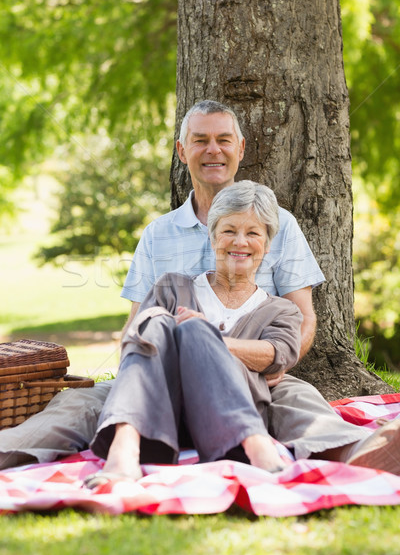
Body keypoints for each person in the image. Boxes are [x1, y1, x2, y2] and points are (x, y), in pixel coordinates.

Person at [1, 100, 398, 474]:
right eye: (201, 140)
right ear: (181, 150)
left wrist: (278, 363)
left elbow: (302, 316)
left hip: (250, 368)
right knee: (81, 402)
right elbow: (137, 323)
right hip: (162, 364)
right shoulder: (158, 234)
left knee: (299, 399)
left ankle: (358, 453)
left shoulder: (280, 223)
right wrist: (140, 371)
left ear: (240, 148)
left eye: (224, 140)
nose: (214, 150)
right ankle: (8, 451)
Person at [85, 182, 398, 487]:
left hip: (225, 417)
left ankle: (341, 449)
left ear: (267, 244)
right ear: (212, 237)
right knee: (152, 321)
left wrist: (209, 338)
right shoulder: (172, 286)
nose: (240, 242)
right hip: (164, 413)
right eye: (229, 231)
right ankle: (122, 451)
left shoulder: (280, 310)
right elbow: (137, 342)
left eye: (252, 233)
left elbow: (280, 354)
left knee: (200, 331)